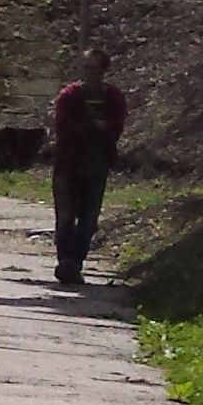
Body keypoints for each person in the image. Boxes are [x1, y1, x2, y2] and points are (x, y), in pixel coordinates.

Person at [48, 49, 131, 288]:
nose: (88, 72)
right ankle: (65, 263)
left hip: (96, 165)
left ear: (103, 70)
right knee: (65, 217)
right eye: (85, 66)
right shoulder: (69, 95)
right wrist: (93, 127)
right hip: (68, 164)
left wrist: (98, 128)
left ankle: (76, 263)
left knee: (88, 220)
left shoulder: (113, 96)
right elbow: (63, 126)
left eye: (93, 67)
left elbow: (116, 125)